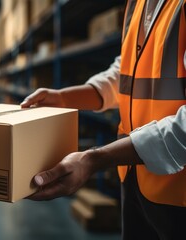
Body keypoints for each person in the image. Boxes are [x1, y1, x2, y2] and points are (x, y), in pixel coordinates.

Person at [21, 1, 186, 239]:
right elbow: (129, 68)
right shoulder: (138, 3)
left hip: (178, 190)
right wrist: (66, 98)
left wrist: (94, 159)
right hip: (136, 179)